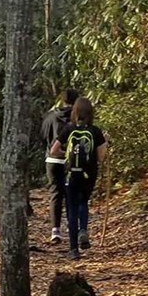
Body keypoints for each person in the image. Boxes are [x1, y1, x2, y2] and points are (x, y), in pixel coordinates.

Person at [49, 96, 107, 260]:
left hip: (71, 173)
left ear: (74, 112)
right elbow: (101, 157)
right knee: (83, 202)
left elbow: (54, 151)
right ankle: (83, 230)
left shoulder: (69, 128)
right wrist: (105, 144)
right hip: (89, 173)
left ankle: (73, 249)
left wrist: (66, 155)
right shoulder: (95, 131)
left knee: (71, 207)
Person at [41, 88, 79, 243]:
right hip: (72, 160)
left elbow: (43, 136)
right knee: (72, 193)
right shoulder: (77, 118)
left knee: (56, 194)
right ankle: (72, 226)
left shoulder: (50, 117)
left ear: (62, 100)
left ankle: (55, 231)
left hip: (52, 160)